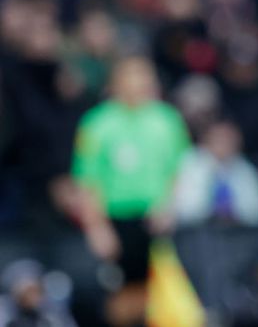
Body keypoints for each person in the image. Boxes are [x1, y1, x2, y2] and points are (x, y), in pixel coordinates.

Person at [71, 56, 191, 326]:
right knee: (122, 296)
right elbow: (86, 181)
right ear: (116, 81)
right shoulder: (96, 124)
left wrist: (169, 207)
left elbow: (180, 170)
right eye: (132, 75)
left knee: (165, 292)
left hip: (159, 221)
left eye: (145, 75)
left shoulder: (167, 119)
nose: (140, 82)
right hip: (117, 220)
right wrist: (96, 227)